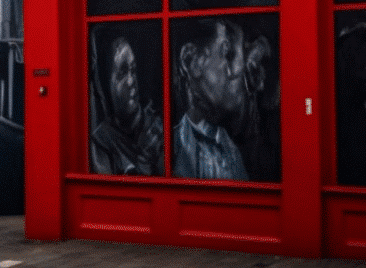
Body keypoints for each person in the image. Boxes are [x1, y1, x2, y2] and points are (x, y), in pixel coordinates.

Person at [173, 19, 255, 180]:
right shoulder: (172, 145)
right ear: (190, 60)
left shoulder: (231, 151)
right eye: (227, 54)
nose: (235, 71)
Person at [89, 34, 163, 176]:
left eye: (133, 70)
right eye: (122, 73)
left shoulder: (157, 128)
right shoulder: (102, 140)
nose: (131, 82)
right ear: (106, 84)